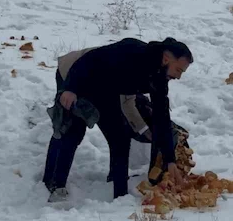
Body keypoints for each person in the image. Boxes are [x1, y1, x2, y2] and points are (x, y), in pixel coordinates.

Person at [42, 37, 193, 201]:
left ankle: (119, 193)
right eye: (178, 70)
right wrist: (70, 88)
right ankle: (53, 184)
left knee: (120, 136)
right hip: (75, 74)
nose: (179, 77)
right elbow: (89, 60)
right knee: (72, 130)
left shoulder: (159, 78)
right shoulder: (132, 51)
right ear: (166, 59)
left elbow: (161, 117)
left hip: (106, 87)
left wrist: (170, 160)